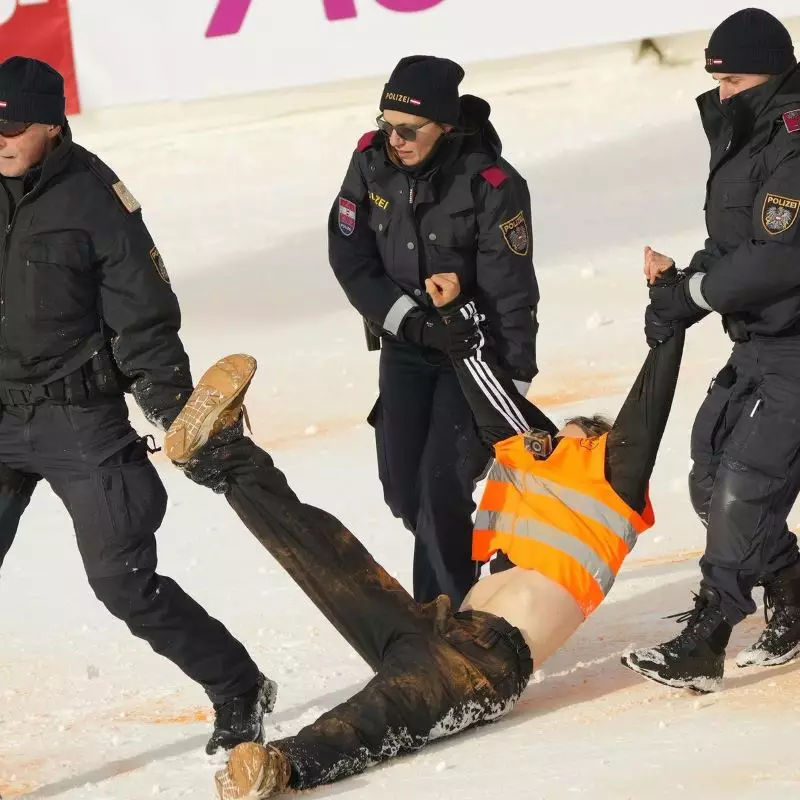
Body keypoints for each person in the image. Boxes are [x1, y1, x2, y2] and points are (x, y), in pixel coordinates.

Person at [163, 271, 684, 799]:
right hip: (439, 621)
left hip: (483, 666)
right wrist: (456, 315)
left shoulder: (614, 480)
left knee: (383, 711)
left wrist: (668, 315)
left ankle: (279, 768)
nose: (553, 445)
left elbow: (649, 409)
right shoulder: (531, 463)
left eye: (572, 440)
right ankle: (225, 455)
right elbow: (483, 386)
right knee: (327, 556)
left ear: (596, 445)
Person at [0, 56, 274, 754]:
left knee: (123, 582)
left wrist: (176, 410)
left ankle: (237, 684)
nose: (0, 139)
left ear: (53, 127)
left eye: (15, 128)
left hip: (77, 418)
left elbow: (144, 316)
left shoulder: (96, 200)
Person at [622, 8, 800, 693]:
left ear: (776, 72)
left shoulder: (793, 137)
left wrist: (696, 293)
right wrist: (681, 283)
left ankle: (706, 636)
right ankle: (792, 590)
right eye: (717, 80)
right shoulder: (744, 133)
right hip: (755, 340)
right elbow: (733, 246)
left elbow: (780, 257)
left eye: (737, 78)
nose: (724, 92)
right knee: (708, 473)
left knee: (743, 488)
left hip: (793, 345)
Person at [328, 54, 540, 607]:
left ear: (444, 126)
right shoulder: (370, 162)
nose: (392, 139)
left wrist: (512, 382)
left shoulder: (493, 184)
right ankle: (486, 559)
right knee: (403, 491)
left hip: (472, 354)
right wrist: (411, 323)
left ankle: (445, 622)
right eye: (385, 124)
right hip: (407, 341)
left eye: (407, 129)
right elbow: (351, 258)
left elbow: (513, 291)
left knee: (438, 487)